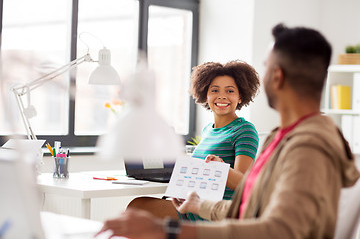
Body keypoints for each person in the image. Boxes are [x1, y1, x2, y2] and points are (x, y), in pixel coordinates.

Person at [96, 24, 360, 239]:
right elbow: (254, 209)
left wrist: (169, 230)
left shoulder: (307, 148)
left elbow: (280, 230)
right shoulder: (285, 138)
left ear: (277, 76)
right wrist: (201, 206)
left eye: (266, 67)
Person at [126, 60, 260, 220]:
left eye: (230, 91)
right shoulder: (208, 130)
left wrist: (221, 169)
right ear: (206, 95)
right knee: (138, 208)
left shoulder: (245, 130)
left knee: (137, 208)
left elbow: (244, 185)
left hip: (216, 210)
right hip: (194, 202)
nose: (222, 96)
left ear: (240, 97)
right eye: (215, 90)